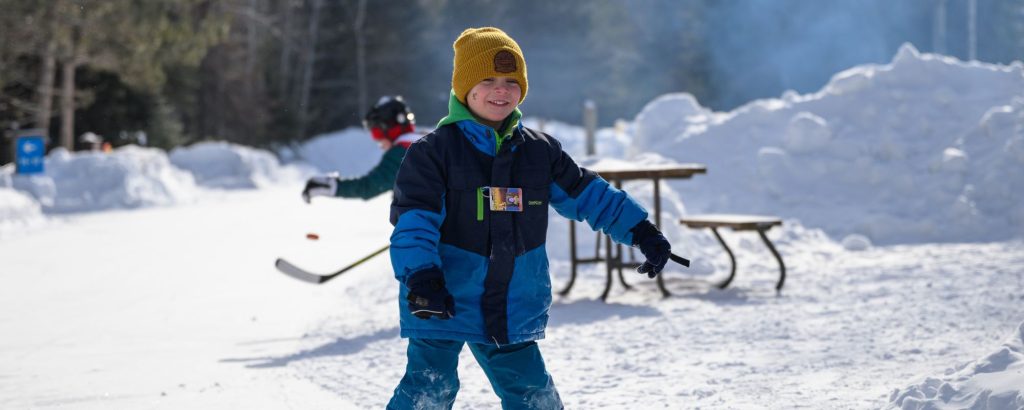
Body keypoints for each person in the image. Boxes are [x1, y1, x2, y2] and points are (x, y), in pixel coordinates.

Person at [387, 27, 675, 409]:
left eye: (511, 81)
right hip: (443, 297)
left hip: (509, 301)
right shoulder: (434, 152)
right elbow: (414, 222)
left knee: (533, 396)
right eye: (487, 80)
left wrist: (641, 230)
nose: (500, 91)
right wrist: (421, 275)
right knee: (428, 392)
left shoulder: (539, 153)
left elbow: (589, 195)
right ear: (464, 89)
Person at [301, 96, 419, 202]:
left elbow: (368, 187)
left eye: (377, 133)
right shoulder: (424, 142)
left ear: (390, 129)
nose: (379, 143)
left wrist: (331, 186)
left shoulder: (403, 152)